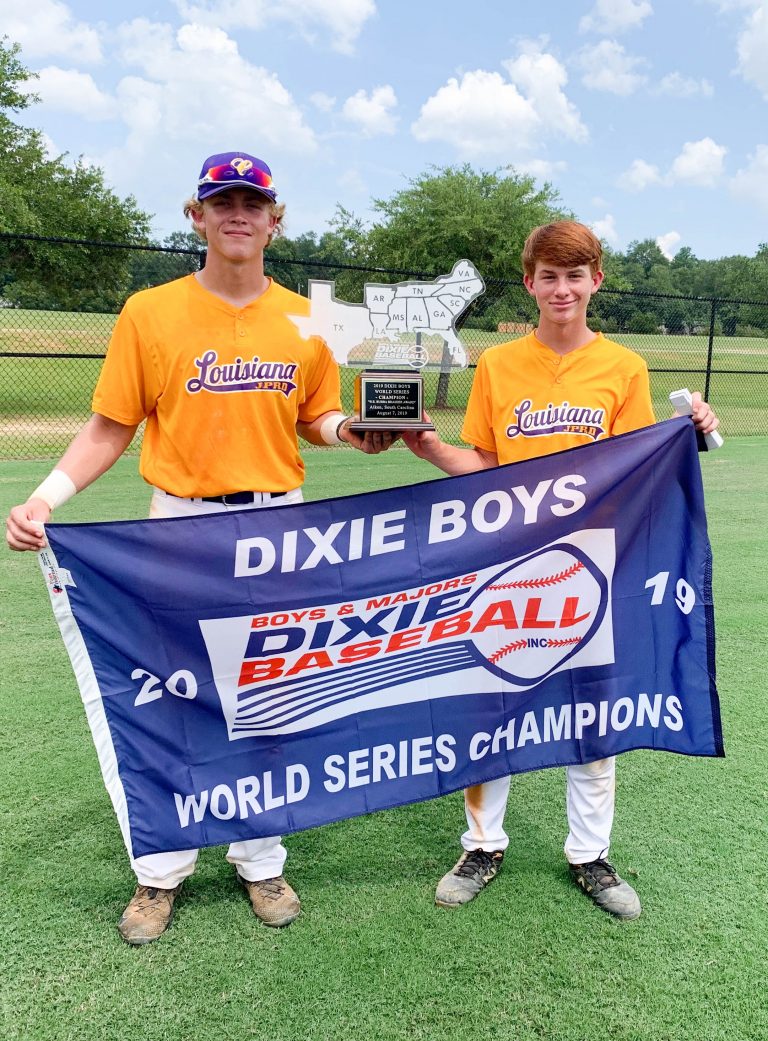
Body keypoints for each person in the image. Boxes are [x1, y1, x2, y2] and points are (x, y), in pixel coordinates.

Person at [5, 150, 394, 945]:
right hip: (179, 524)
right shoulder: (150, 312)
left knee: (265, 695)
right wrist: (47, 496)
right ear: (197, 216)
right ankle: (162, 871)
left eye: (253, 201)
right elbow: (112, 423)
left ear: (275, 218)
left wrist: (353, 430)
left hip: (275, 526)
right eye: (223, 201)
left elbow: (315, 414)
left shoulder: (303, 317)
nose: (238, 213)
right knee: (171, 695)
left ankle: (261, 859)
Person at [402, 220, 720, 920]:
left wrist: (691, 429)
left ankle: (590, 854)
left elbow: (642, 460)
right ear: (530, 283)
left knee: (593, 712)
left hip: (594, 567)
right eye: (549, 275)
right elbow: (482, 465)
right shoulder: (498, 364)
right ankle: (482, 844)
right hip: (508, 564)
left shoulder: (625, 368)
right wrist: (428, 446)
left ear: (596, 280)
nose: (562, 288)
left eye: (575, 275)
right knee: (493, 708)